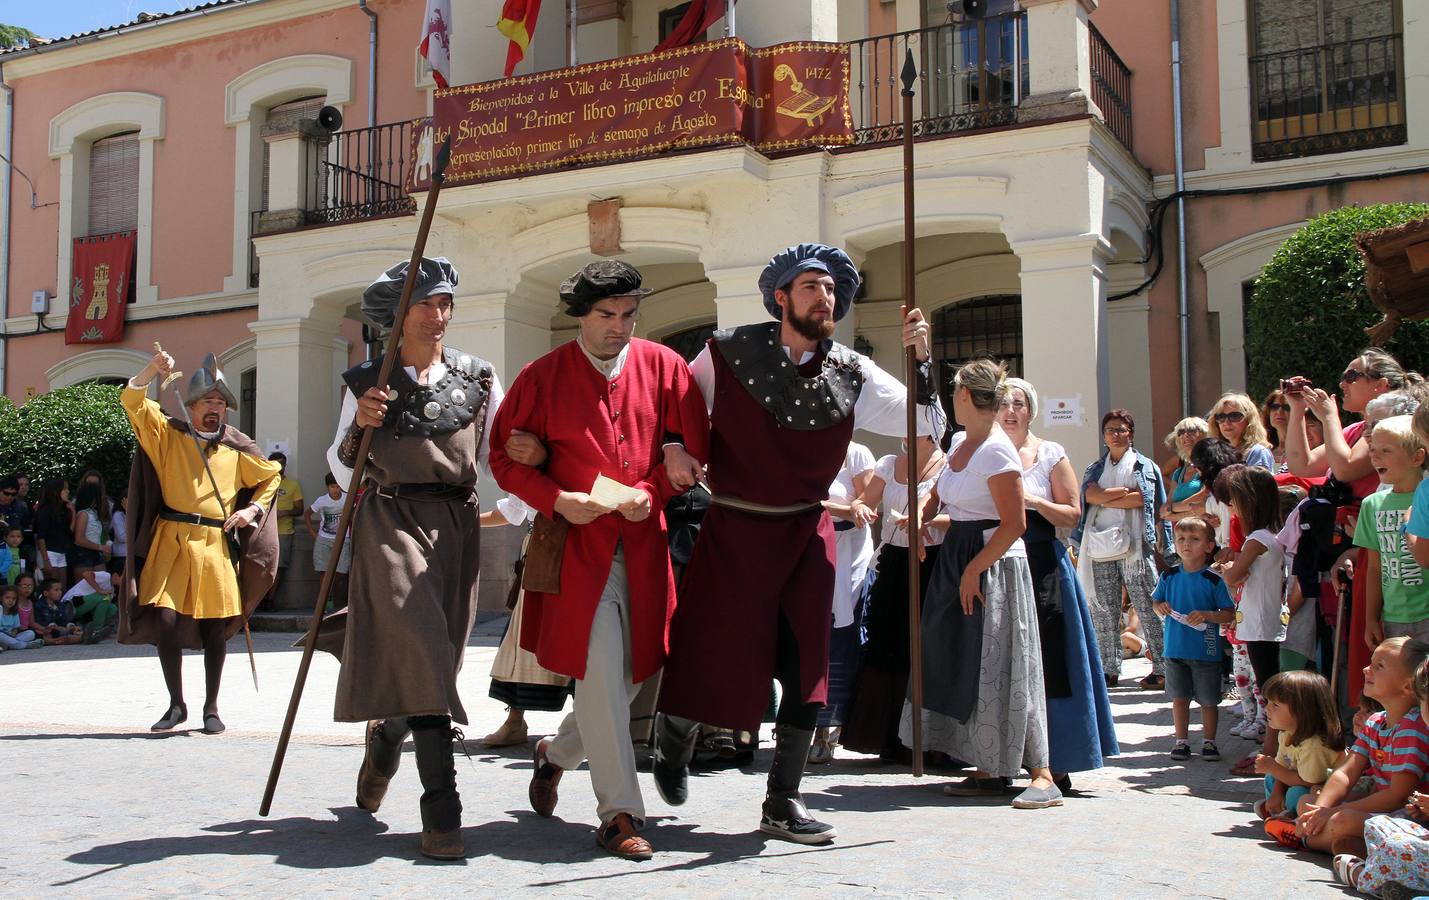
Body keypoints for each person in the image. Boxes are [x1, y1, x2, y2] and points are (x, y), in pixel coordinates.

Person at [654, 243, 940, 842]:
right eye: (811, 285)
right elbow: (677, 409)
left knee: (810, 666)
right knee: (717, 651)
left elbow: (925, 423)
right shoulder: (726, 351)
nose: (824, 294)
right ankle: (675, 735)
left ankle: (781, 802)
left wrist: (923, 360)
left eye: (832, 287)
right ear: (781, 296)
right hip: (734, 528)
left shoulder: (853, 371)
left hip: (807, 534)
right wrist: (674, 446)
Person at [488, 258, 709, 861]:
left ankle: (554, 753)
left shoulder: (666, 367)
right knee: (604, 671)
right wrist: (555, 497)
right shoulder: (540, 377)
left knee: (630, 675)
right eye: (606, 315)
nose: (619, 326)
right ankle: (619, 811)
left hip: (643, 546)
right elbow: (503, 459)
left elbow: (692, 448)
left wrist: (658, 489)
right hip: (576, 553)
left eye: (629, 314)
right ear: (580, 316)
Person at [321, 256, 502, 862]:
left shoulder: (477, 377)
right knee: (424, 648)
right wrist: (360, 429)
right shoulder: (367, 382)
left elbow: (503, 453)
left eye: (446, 302)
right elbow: (342, 474)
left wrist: (534, 502)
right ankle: (442, 812)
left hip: (457, 525)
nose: (438, 314)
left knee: (437, 663)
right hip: (390, 522)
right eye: (425, 303)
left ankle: (385, 739)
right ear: (396, 316)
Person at [896, 360, 1058, 808]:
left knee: (1002, 662)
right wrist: (925, 514)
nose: (952, 398)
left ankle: (1042, 775)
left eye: (954, 391)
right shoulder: (960, 443)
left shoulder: (997, 451)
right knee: (963, 662)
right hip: (958, 555)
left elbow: (1014, 523)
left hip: (995, 564)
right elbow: (945, 491)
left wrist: (975, 569)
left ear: (966, 395)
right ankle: (987, 765)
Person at [120, 349, 281, 736]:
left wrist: (252, 511)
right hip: (171, 538)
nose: (215, 408)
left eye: (220, 403)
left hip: (214, 540)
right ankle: (176, 705)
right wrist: (153, 369)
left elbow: (271, 476)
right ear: (190, 405)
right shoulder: (167, 436)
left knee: (214, 626)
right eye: (208, 401)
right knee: (165, 620)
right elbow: (133, 401)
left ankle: (211, 707)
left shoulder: (236, 446)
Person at [998, 376, 1118, 785]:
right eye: (1003, 404)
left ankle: (1060, 756)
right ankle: (1003, 757)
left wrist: (1032, 501)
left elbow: (1071, 515)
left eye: (1018, 404)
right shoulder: (986, 453)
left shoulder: (1050, 453)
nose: (1010, 411)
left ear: (1030, 410)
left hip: (1042, 561)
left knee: (1053, 659)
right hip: (999, 560)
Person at [1286, 349, 1423, 704]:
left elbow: (1345, 468)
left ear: (1379, 385)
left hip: (1382, 556)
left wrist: (1328, 416)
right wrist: (1299, 410)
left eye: (1351, 376)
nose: (1341, 383)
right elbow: (1301, 464)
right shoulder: (1358, 428)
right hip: (1361, 550)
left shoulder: (1393, 431)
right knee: (1360, 652)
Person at [839, 434, 946, 762]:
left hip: (932, 560)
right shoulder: (888, 463)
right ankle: (890, 736)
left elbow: (956, 514)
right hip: (894, 562)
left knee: (929, 649)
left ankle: (932, 742)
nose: (905, 433)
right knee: (888, 646)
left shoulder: (948, 466)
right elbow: (867, 502)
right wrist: (857, 505)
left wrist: (924, 519)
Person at [1273, 637, 1429, 852]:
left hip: (1406, 814)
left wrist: (1332, 812)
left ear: (1408, 685)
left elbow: (1397, 796)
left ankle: (1306, 839)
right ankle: (1343, 844)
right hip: (1379, 806)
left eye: (1379, 666)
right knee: (1307, 803)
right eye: (1370, 662)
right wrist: (1320, 809)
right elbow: (1346, 773)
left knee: (1342, 820)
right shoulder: (1375, 721)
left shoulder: (1413, 728)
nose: (1366, 669)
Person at [1072, 409, 1173, 690]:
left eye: (1121, 429)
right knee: (1104, 610)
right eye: (1110, 430)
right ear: (1103, 436)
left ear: (1131, 433)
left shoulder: (1145, 466)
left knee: (1148, 605)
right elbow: (1088, 497)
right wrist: (1119, 496)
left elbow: (1145, 500)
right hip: (1100, 544)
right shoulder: (1094, 468)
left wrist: (1105, 497)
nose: (1116, 434)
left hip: (1137, 547)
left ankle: (1163, 668)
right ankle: (1108, 669)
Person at [809, 441, 877, 764]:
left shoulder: (857, 453)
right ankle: (803, 722)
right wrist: (839, 508)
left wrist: (842, 508)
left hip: (849, 553)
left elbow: (867, 503)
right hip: (813, 547)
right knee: (810, 638)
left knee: (841, 640)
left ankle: (830, 726)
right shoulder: (802, 447)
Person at [1153, 516, 1236, 762]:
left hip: (1206, 650)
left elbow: (1229, 613)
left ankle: (1209, 741)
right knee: (1179, 698)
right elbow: (1156, 601)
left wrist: (1208, 615)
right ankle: (1181, 741)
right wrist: (1161, 607)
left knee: (1209, 700)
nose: (1186, 544)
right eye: (1181, 539)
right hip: (1174, 649)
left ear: (1209, 546)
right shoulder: (1168, 576)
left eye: (1194, 539)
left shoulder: (1213, 580)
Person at [1220, 465, 1288, 760]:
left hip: (1261, 624)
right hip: (1263, 622)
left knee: (1269, 688)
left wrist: (1225, 570)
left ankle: (1272, 750)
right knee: (1268, 685)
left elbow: (1233, 576)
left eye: (1235, 500)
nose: (1232, 507)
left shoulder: (1258, 538)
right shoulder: (1267, 537)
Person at [1354, 416, 1429, 645]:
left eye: (1386, 450)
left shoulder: (1425, 497)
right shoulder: (1371, 505)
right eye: (1373, 449)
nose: (1375, 456)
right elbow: (1374, 569)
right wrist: (1371, 619)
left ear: (1417, 457)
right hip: (1394, 617)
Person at [1253, 671, 1342, 821]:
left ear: (1302, 711)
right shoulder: (1286, 734)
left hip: (1320, 790)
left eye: (1275, 705)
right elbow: (1283, 768)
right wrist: (1276, 793)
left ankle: (1292, 815)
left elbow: (1309, 782)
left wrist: (1273, 767)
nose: (1267, 708)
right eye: (1268, 702)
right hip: (1298, 779)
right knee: (1271, 779)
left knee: (1296, 793)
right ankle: (1279, 808)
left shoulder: (1314, 745)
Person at [304, 474, 351, 611]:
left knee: (342, 571)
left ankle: (329, 589)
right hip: (324, 538)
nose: (335, 490)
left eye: (338, 487)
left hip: (343, 539)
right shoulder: (322, 500)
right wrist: (312, 532)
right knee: (323, 570)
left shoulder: (347, 498)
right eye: (332, 487)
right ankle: (325, 598)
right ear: (327, 487)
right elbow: (307, 514)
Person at [267, 452, 302, 607]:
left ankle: (270, 600)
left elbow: (300, 509)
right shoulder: (262, 483)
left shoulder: (293, 485)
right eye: (276, 463)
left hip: (284, 532)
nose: (280, 466)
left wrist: (285, 512)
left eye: (282, 463)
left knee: (279, 567)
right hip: (264, 532)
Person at [1207, 391, 1276, 470]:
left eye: (1234, 416)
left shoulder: (1257, 452)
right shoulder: (1217, 455)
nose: (1226, 422)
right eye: (1221, 417)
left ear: (1249, 420)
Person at [1160, 417, 1208, 509]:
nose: (1185, 435)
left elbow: (1204, 501)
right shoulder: (1179, 473)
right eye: (1181, 432)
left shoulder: (1211, 467)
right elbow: (1164, 511)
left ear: (1205, 435)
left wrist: (1173, 508)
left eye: (1191, 430)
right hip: (1178, 522)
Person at [70, 479, 112, 581]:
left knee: (102, 582)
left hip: (96, 553)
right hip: (84, 554)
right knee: (84, 589)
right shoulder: (84, 514)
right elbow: (79, 539)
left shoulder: (94, 513)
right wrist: (100, 547)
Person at [32, 478, 72, 584]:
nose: (68, 491)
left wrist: (73, 511)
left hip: (61, 552)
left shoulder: (62, 510)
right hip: (48, 552)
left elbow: (70, 531)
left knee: (61, 588)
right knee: (52, 587)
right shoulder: (45, 510)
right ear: (56, 491)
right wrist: (46, 561)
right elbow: (41, 537)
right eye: (65, 489)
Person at [66, 568, 117, 643]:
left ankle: (90, 631)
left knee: (112, 608)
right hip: (72, 605)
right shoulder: (106, 576)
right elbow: (86, 574)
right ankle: (96, 630)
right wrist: (99, 590)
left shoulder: (112, 587)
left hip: (85, 610)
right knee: (105, 598)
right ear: (116, 575)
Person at [32, 578, 82, 644]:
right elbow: (42, 623)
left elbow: (64, 621)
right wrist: (57, 627)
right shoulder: (39, 606)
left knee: (75, 631)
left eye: (60, 590)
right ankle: (83, 637)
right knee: (67, 637)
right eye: (56, 590)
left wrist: (71, 626)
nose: (60, 592)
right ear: (46, 593)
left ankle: (83, 635)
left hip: (61, 631)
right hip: (48, 632)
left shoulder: (60, 605)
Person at [0, 584, 41, 650]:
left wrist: (13, 633)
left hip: (11, 637)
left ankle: (10, 645)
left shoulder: (14, 613)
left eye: (14, 598)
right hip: (2, 635)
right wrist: (8, 635)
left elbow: (15, 628)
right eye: (7, 598)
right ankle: (25, 645)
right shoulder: (0, 609)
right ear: (1, 598)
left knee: (31, 633)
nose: (11, 601)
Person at [1261, 389, 1293, 472]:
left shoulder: (1306, 449)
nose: (1279, 411)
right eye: (1274, 407)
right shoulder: (1265, 450)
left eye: (1287, 407)